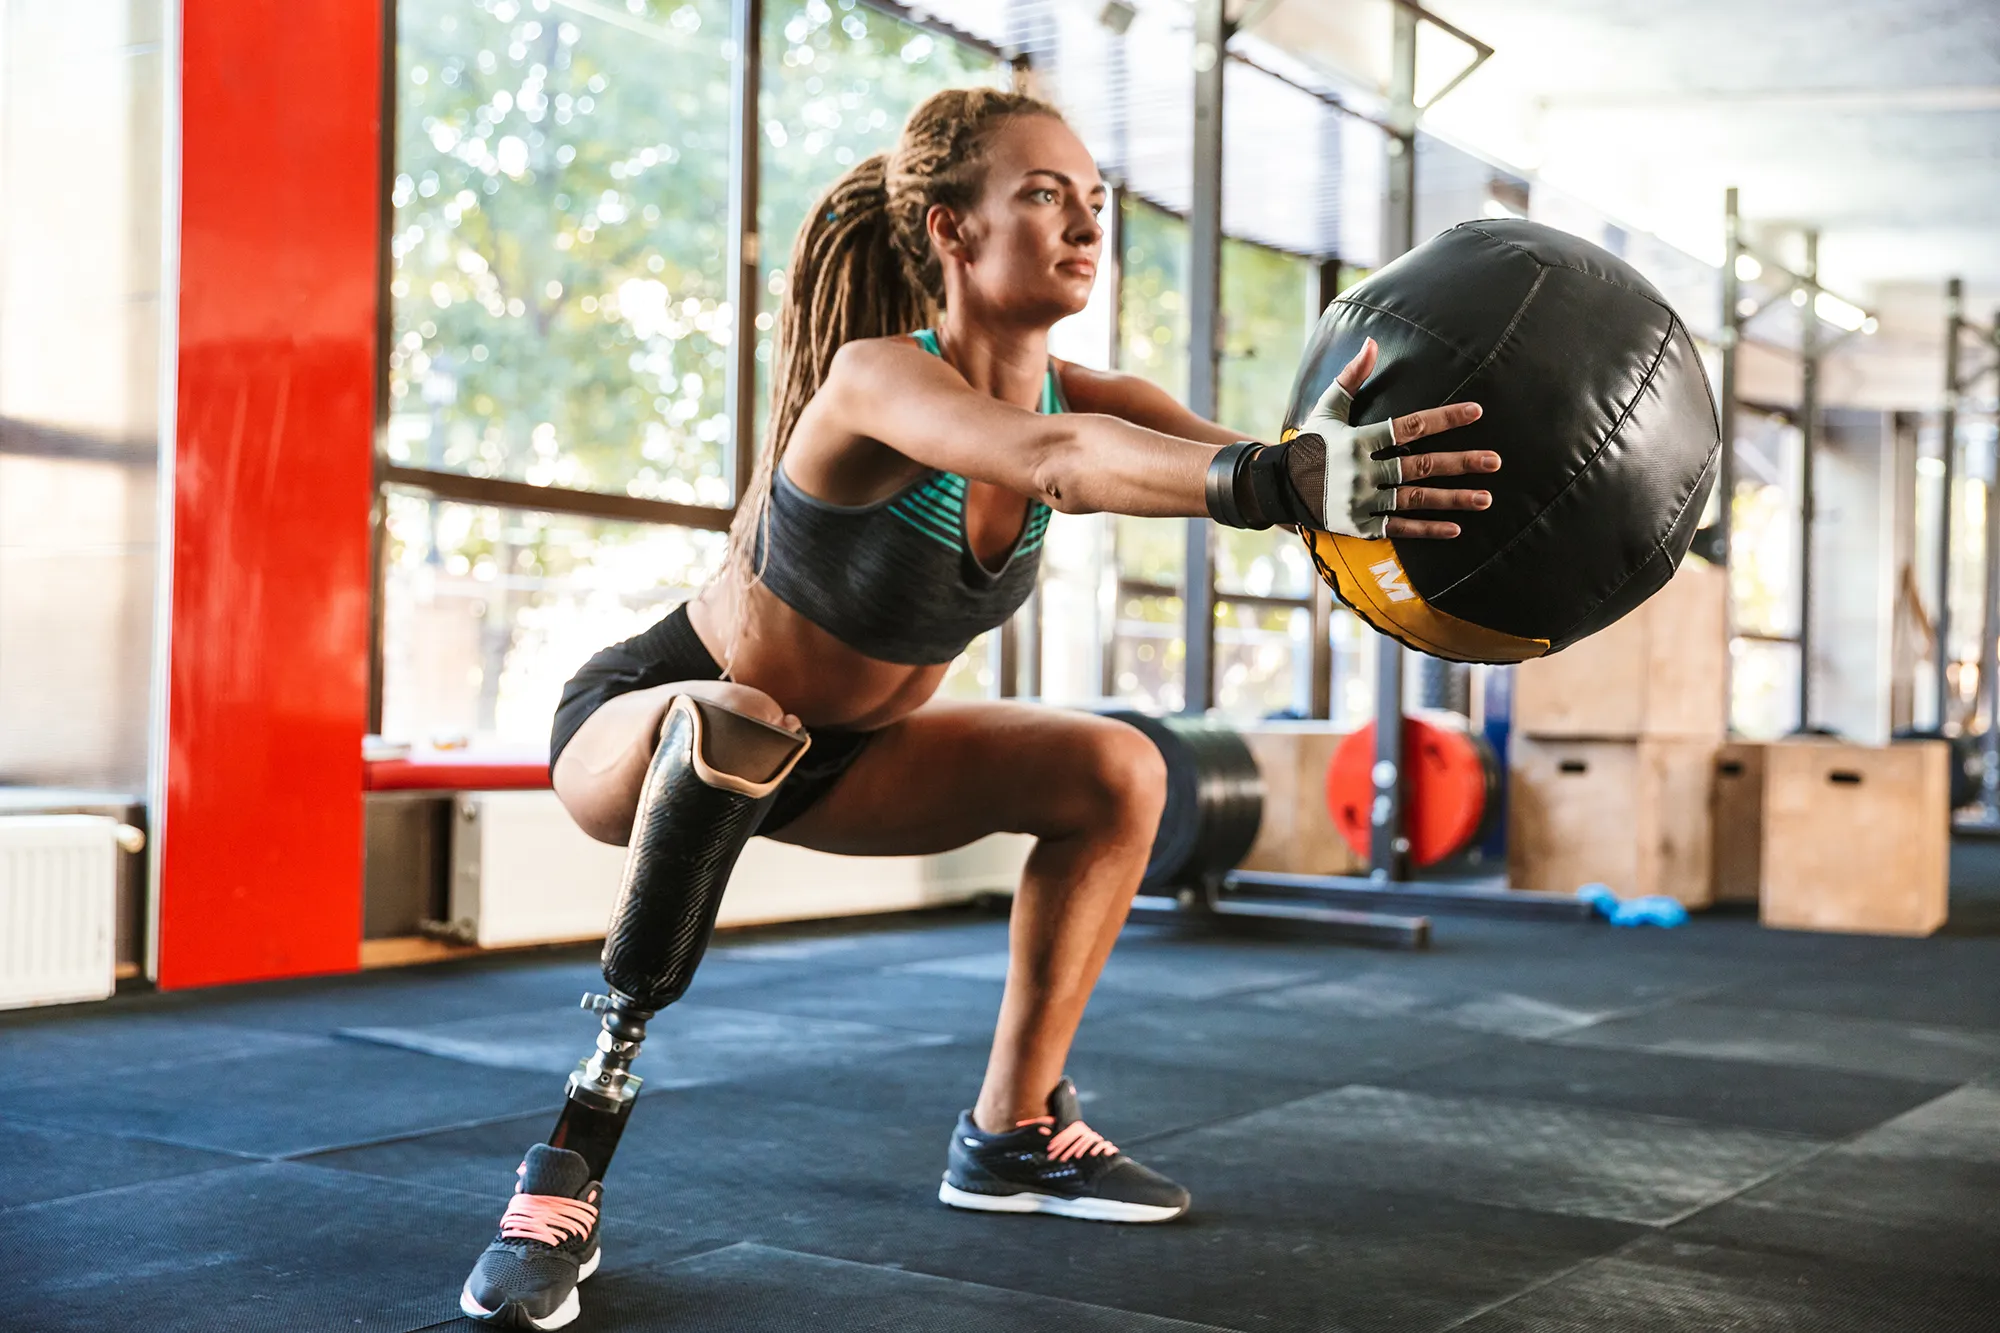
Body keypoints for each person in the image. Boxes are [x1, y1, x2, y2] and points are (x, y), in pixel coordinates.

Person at [459, 86, 1496, 1330]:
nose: (1084, 225)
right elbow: (1066, 464)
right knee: (738, 715)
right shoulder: (879, 378)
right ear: (950, 229)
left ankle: (1009, 1128)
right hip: (649, 724)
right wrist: (1269, 477)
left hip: (843, 756)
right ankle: (563, 1166)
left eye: (1095, 202)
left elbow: (1260, 469)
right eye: (1044, 195)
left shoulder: (1092, 392)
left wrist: (1383, 493)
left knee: (1118, 772)